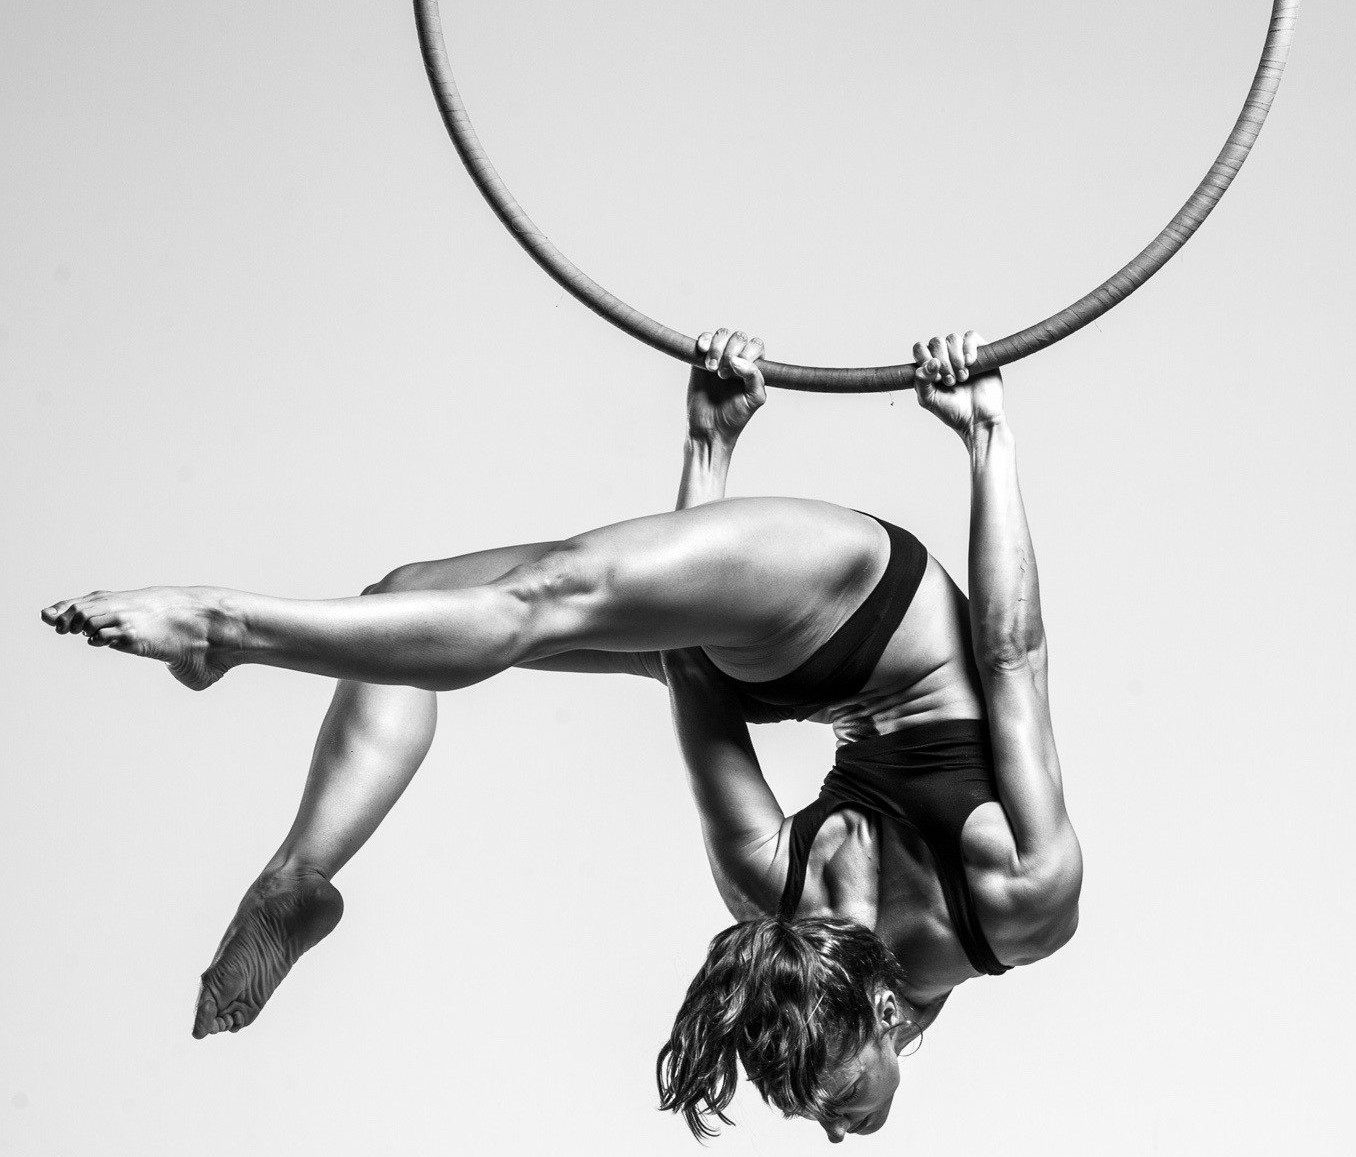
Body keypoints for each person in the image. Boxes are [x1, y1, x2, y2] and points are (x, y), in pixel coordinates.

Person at [42, 329, 1081, 1141]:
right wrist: (986, 436)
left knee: (406, 601)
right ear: (881, 1020)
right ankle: (225, 629)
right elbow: (1010, 657)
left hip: (780, 664)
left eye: (805, 1109)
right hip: (859, 595)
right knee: (540, 602)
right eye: (836, 1096)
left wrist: (707, 448)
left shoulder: (768, 891)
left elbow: (689, 664)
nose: (833, 1125)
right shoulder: (1019, 897)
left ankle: (298, 875)